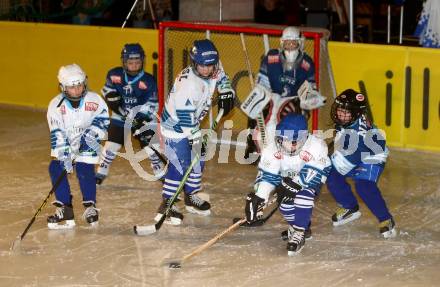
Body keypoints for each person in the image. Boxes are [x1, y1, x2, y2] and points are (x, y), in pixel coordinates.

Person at [157, 39, 235, 225]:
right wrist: (194, 138)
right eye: (202, 66)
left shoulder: (213, 64)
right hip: (175, 128)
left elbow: (222, 77)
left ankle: (191, 197)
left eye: (210, 65)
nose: (207, 69)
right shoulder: (189, 85)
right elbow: (185, 117)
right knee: (180, 165)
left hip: (192, 123)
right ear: (194, 63)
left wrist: (226, 91)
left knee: (198, 160)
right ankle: (167, 203)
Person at [244, 113, 331, 255]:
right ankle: (298, 225)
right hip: (287, 174)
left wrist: (295, 184)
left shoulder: (317, 145)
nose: (288, 146)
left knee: (303, 196)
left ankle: (299, 231)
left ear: (304, 137)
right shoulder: (272, 148)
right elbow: (268, 176)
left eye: (294, 141)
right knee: (284, 202)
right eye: (284, 140)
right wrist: (260, 197)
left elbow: (311, 173)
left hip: (315, 173)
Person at [244, 26, 326, 156]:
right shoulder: (271, 57)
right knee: (258, 111)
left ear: (300, 43)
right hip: (272, 94)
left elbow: (309, 88)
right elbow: (262, 82)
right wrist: (260, 97)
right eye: (287, 43)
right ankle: (256, 148)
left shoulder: (307, 63)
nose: (290, 46)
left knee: (286, 117)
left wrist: (310, 100)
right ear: (282, 43)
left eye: (294, 42)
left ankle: (287, 150)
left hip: (293, 97)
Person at [326, 89, 396, 239]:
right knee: (332, 176)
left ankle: (385, 219)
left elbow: (351, 156)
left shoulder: (359, 132)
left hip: (372, 154)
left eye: (345, 112)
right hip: (355, 149)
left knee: (364, 186)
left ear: (356, 113)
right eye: (339, 110)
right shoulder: (351, 118)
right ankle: (349, 207)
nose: (340, 114)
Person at [47, 64, 109, 229]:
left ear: (84, 83)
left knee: (84, 168)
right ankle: (65, 208)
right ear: (63, 87)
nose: (76, 90)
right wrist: (66, 154)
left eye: (79, 85)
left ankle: (90, 207)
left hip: (88, 139)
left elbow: (102, 119)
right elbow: (57, 133)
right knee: (56, 168)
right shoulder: (55, 106)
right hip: (65, 142)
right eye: (71, 87)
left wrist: (91, 134)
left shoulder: (94, 100)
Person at [96, 43, 165, 185]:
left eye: (137, 62)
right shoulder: (114, 74)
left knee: (152, 146)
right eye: (130, 62)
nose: (134, 65)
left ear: (142, 62)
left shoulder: (149, 80)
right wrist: (112, 100)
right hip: (119, 117)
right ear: (124, 61)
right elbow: (107, 91)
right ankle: (101, 171)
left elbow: (152, 105)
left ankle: (159, 170)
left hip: (142, 119)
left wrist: (140, 120)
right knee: (111, 146)